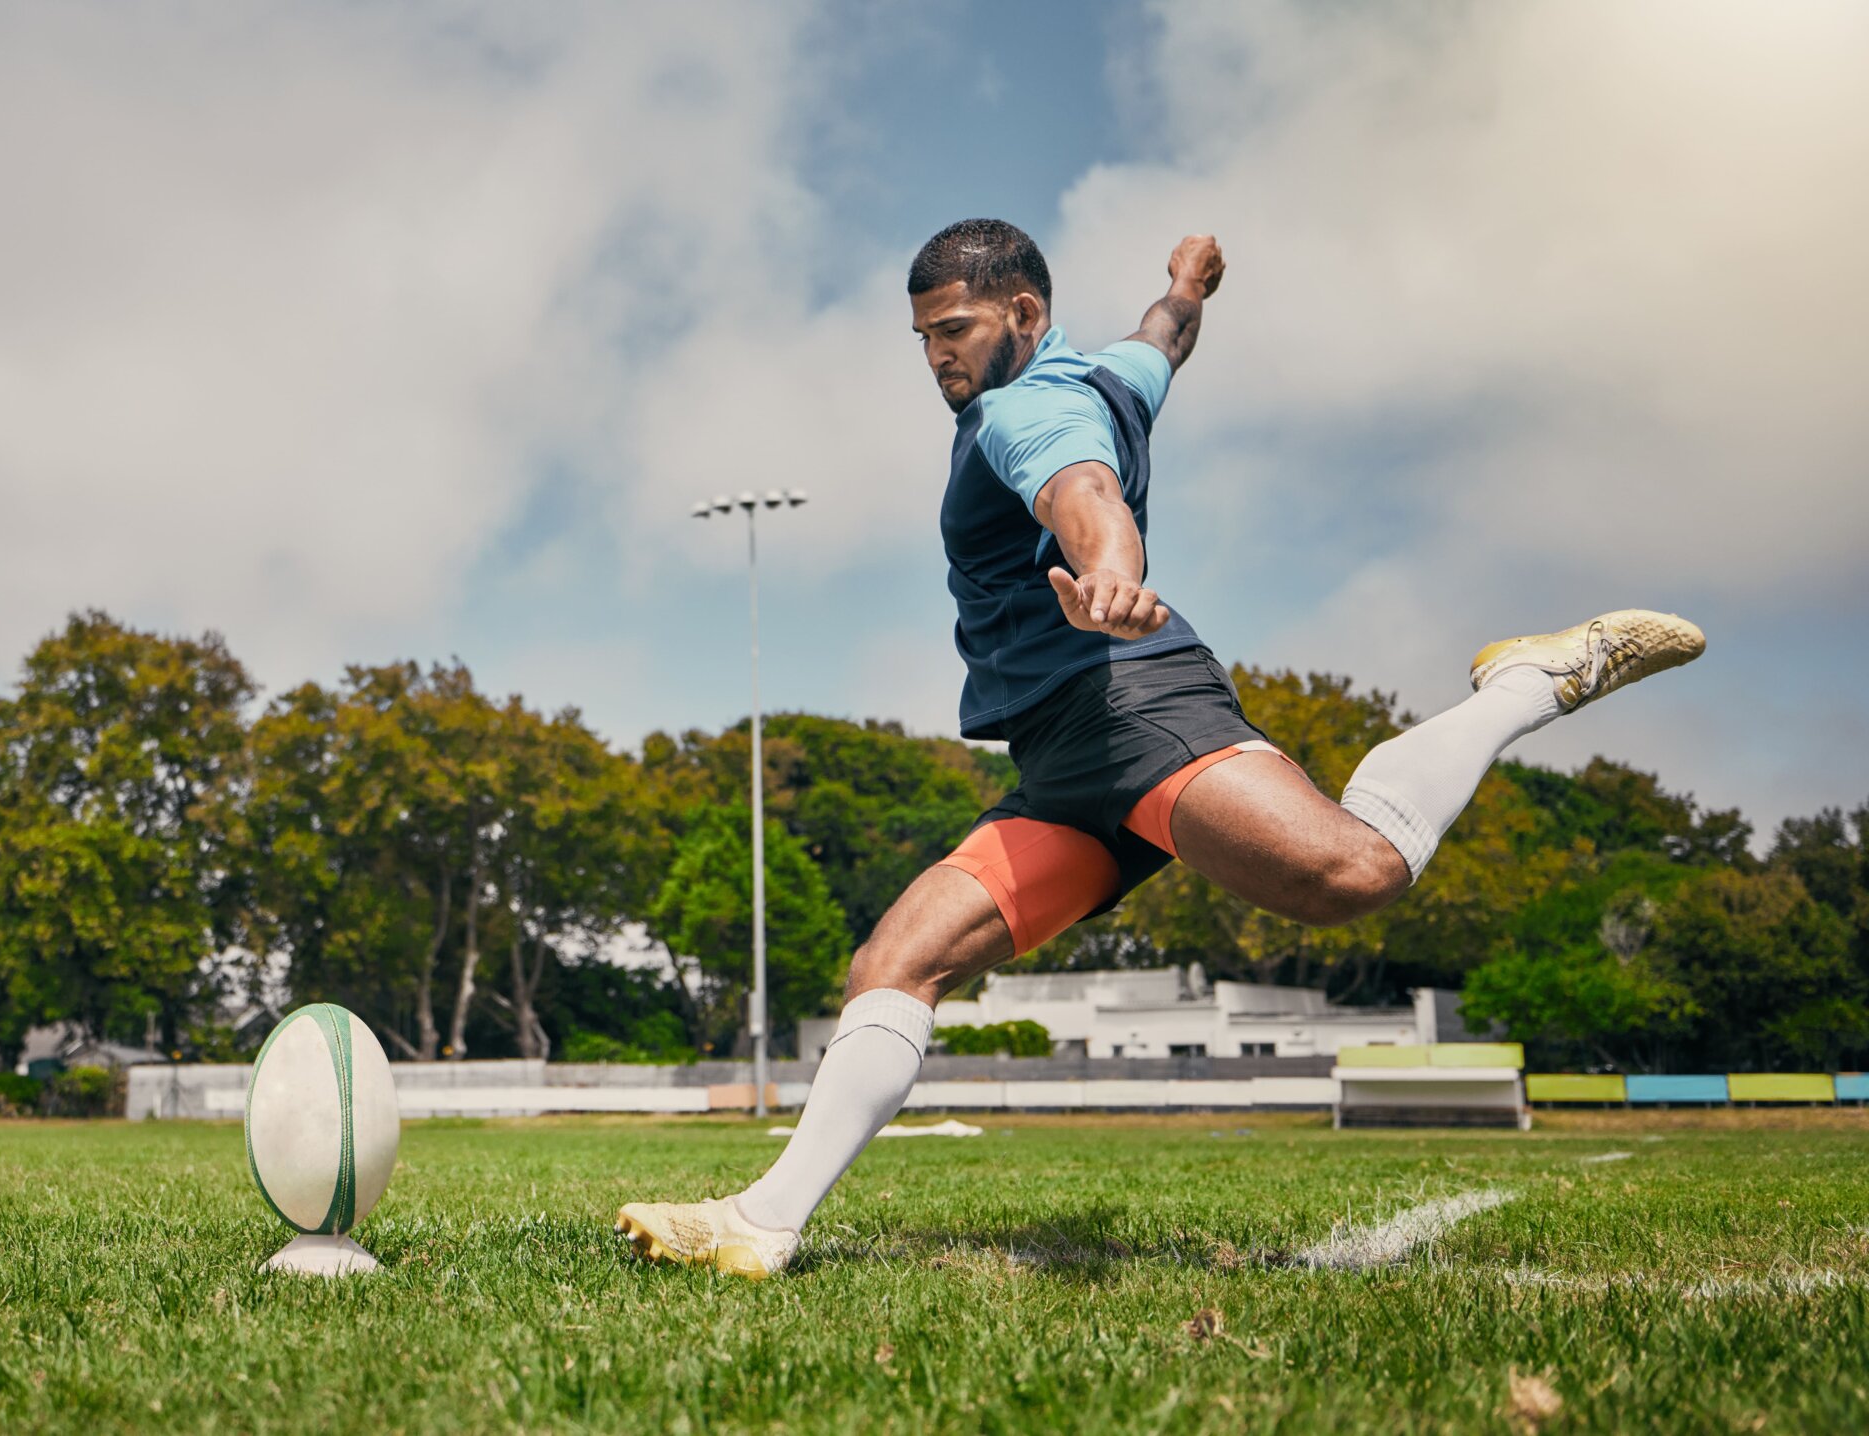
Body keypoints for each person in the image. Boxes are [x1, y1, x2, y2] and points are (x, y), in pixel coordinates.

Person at [615, 219, 1704, 1277]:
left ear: (1023, 312)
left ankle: (1526, 681)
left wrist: (1111, 573)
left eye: (952, 327)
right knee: (895, 963)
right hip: (1058, 763)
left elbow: (1081, 491)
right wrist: (1187, 286)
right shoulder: (1113, 372)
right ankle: (761, 1222)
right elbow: (1164, 337)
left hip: (1132, 707)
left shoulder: (1023, 409)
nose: (937, 354)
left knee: (1353, 870)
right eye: (923, 337)